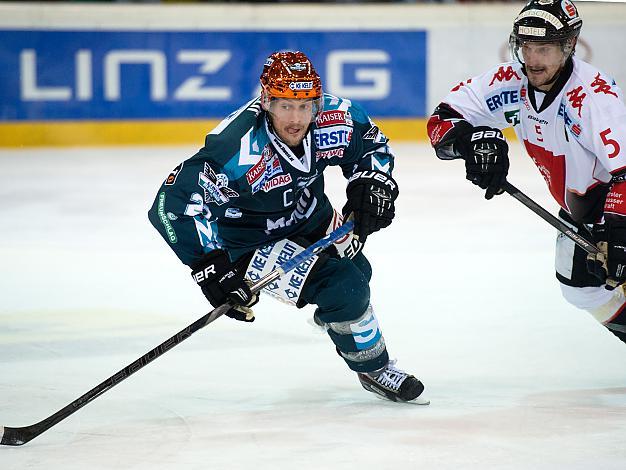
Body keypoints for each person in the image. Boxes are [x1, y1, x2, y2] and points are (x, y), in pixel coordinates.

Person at [148, 51, 428, 403]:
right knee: (346, 289)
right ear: (266, 100)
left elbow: (370, 145)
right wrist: (210, 268)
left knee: (358, 270)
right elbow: (171, 207)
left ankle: (336, 319)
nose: (296, 119)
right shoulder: (236, 148)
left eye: (304, 105)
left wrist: (372, 183)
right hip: (252, 240)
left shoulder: (334, 117)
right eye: (284, 106)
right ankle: (375, 368)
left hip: (312, 216)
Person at [428, 0, 626, 344]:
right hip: (581, 211)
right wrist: (472, 144)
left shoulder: (592, 98)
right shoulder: (510, 81)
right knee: (580, 287)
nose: (533, 60)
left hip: (615, 207)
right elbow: (442, 119)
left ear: (569, 46)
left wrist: (621, 233)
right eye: (526, 47)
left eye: (545, 49)